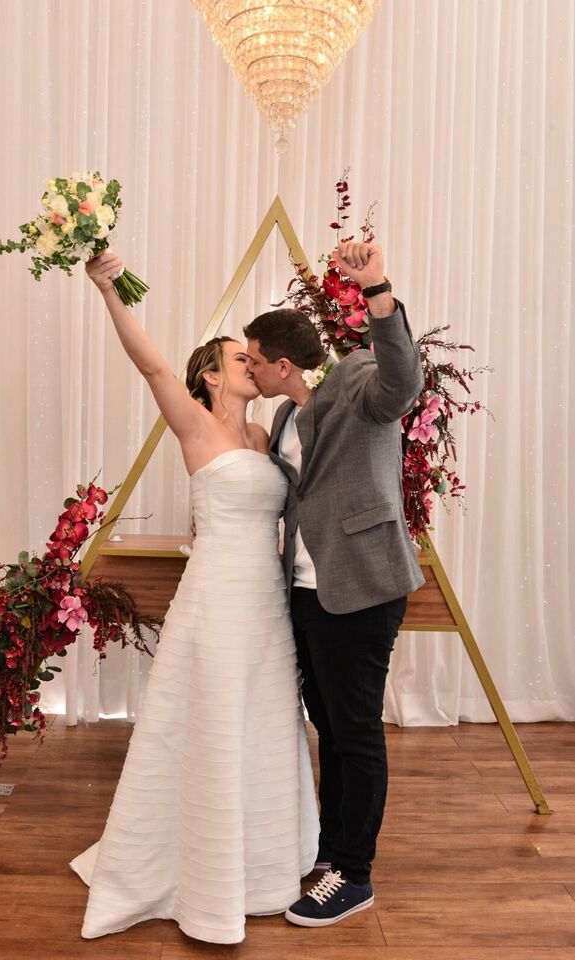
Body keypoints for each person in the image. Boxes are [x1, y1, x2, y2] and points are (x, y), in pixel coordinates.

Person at [70, 251, 319, 945]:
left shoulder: (265, 433)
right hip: (216, 596)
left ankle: (265, 865)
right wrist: (109, 290)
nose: (253, 365)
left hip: (265, 601)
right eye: (241, 359)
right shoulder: (194, 424)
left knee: (264, 718)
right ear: (211, 375)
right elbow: (151, 364)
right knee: (211, 720)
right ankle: (199, 875)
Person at [243, 238, 425, 928]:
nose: (250, 370)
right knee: (328, 724)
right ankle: (332, 847)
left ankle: (355, 874)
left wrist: (377, 289)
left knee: (355, 730)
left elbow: (402, 382)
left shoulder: (355, 380)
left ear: (282, 364)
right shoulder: (283, 416)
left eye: (254, 362)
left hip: (362, 586)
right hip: (306, 592)